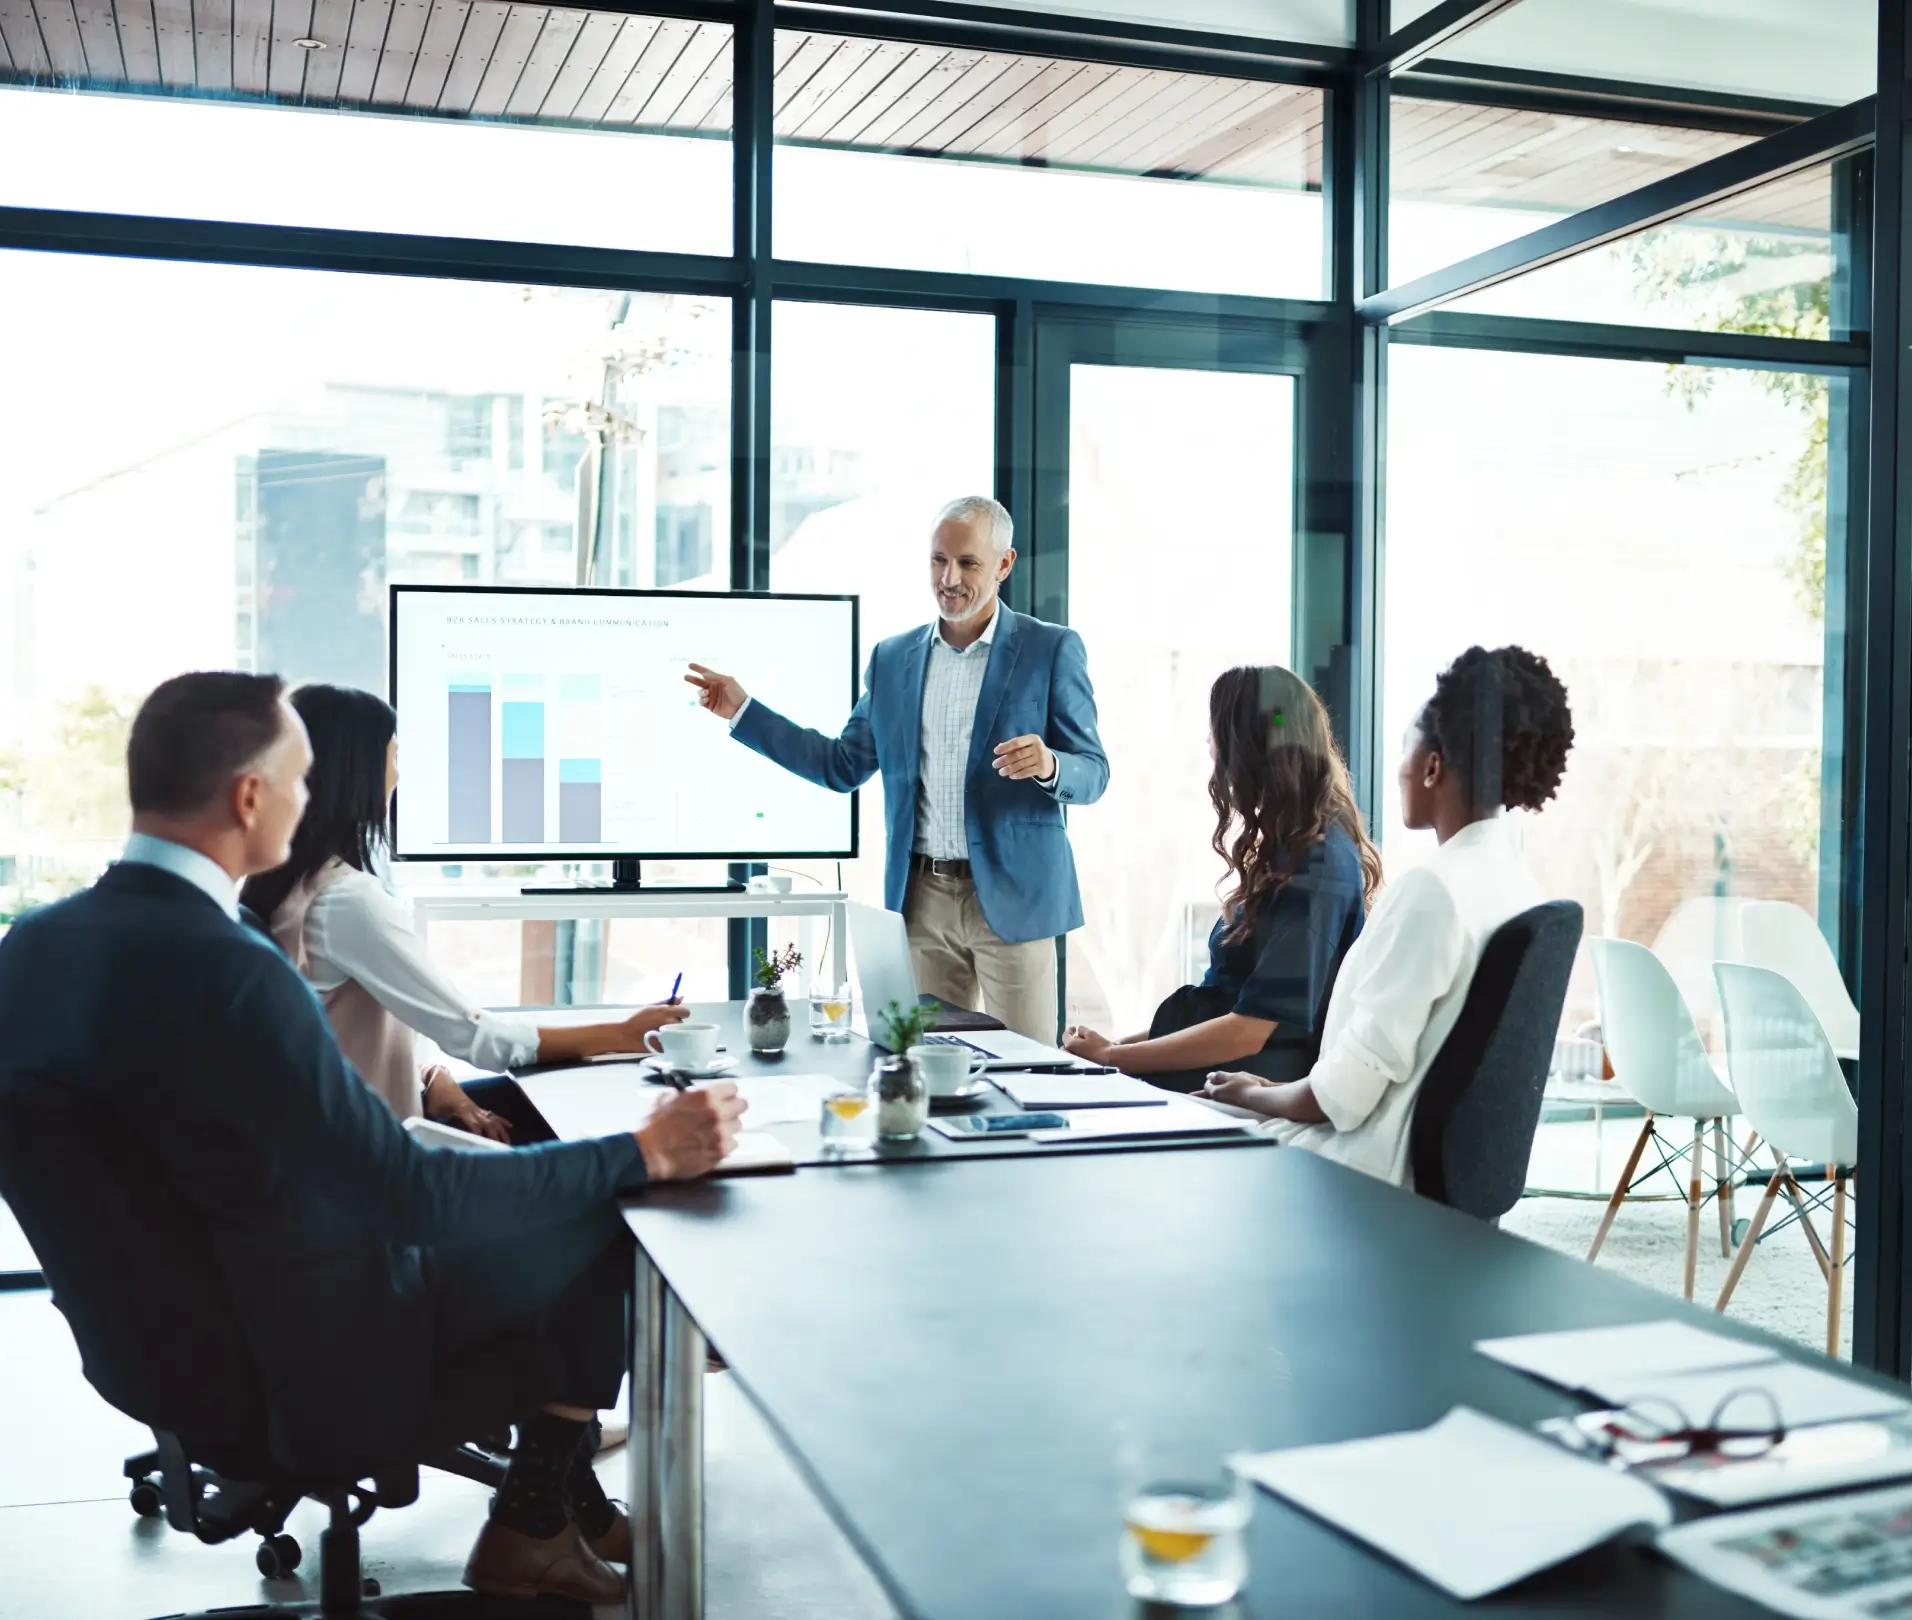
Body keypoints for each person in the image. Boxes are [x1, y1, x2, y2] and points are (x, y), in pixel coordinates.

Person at [0, 672, 746, 1605]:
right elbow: (409, 1196)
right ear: (250, 797)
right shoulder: (234, 971)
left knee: (544, 1196)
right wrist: (643, 1151)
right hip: (312, 1355)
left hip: (157, 1350)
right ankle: (532, 1525)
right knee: (608, 1218)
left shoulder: (32, 947)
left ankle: (561, 1511)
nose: (309, 800)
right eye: (299, 780)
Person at [685, 495, 1108, 1041]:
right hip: (921, 902)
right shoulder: (892, 659)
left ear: (1004, 565)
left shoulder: (1051, 649)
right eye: (938, 560)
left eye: (968, 563)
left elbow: (1093, 772)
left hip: (1016, 900)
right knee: (922, 1063)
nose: (949, 579)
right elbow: (841, 765)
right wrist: (744, 711)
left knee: (1027, 1064)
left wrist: (1050, 765)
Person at [241, 684, 687, 1143]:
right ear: (359, 773)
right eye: (394, 758)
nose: (398, 776)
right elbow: (478, 1039)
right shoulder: (346, 902)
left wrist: (431, 1076)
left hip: (334, 1132)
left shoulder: (285, 886)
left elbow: (346, 1031)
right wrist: (624, 1034)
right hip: (375, 1151)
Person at [1200, 645, 1574, 1186]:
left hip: (1357, 1168)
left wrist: (1254, 1095)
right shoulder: (1517, 884)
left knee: (1164, 1127)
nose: (1399, 769)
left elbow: (1342, 1098)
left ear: (1432, 767)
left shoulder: (1433, 891)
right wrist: (1266, 1091)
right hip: (1412, 1164)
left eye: (1405, 750)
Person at [1061, 665, 1376, 1092]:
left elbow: (1249, 1030)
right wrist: (1112, 1049)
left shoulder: (1318, 866)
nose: (1209, 745)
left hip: (1242, 1084)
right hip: (1220, 1071)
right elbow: (1225, 1006)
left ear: (1247, 748)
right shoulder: (1292, 847)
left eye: (1216, 733)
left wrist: (1113, 1058)